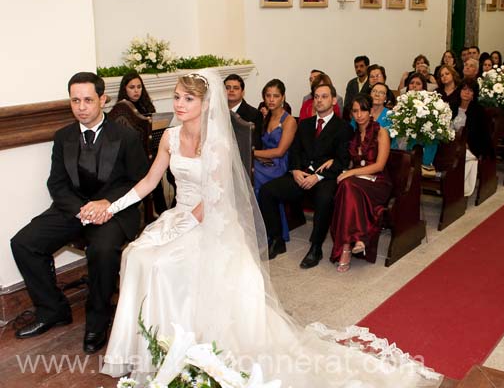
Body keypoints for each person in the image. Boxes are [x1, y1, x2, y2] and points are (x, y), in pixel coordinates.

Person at [101, 70, 438, 386]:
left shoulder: (216, 144)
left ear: (205, 104)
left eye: (188, 99)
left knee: (161, 263)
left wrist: (181, 228)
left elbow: (213, 199)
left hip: (209, 221)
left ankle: (181, 344)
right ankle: (152, 347)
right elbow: (148, 182)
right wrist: (111, 206)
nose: (179, 104)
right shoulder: (170, 138)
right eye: (176, 97)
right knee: (137, 254)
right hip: (182, 216)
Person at [11, 72, 148, 353]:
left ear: (102, 99)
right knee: (24, 243)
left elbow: (136, 181)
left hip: (116, 209)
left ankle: (98, 319)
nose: (81, 107)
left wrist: (107, 204)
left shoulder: (126, 136)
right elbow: (57, 183)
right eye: (75, 100)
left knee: (102, 250)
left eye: (88, 100)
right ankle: (52, 310)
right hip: (73, 208)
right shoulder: (63, 137)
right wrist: (82, 210)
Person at [260, 82, 353, 268]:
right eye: (316, 96)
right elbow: (295, 151)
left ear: (334, 100)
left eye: (324, 96)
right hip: (301, 174)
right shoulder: (305, 124)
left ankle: (316, 247)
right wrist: (295, 170)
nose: (319, 100)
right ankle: (277, 239)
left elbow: (342, 160)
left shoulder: (343, 127)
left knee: (325, 198)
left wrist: (317, 177)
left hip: (324, 177)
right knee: (267, 191)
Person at [329, 94, 392, 272]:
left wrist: (351, 172)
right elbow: (346, 160)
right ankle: (353, 241)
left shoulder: (381, 132)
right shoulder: (353, 134)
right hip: (357, 183)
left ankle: (348, 246)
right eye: (355, 111)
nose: (359, 115)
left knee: (347, 185)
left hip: (378, 182)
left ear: (371, 111)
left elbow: (379, 165)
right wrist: (334, 163)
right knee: (345, 187)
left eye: (363, 110)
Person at [253, 79, 297, 246]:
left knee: (254, 175)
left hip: (280, 165)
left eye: (276, 96)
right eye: (268, 96)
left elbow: (280, 152)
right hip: (264, 161)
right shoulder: (266, 117)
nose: (271, 100)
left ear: (283, 97)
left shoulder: (289, 121)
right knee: (245, 171)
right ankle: (259, 229)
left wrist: (252, 154)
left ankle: (268, 233)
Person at [118, 71, 168, 215]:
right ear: (125, 89)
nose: (136, 91)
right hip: (133, 156)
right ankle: (158, 211)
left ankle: (167, 208)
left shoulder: (146, 106)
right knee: (154, 171)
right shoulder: (122, 109)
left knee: (166, 165)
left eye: (139, 87)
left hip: (150, 150)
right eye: (132, 87)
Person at [450, 79, 494, 197]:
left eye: (470, 90)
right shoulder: (451, 106)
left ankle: (457, 189)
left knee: (467, 158)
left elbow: (482, 134)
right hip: (450, 143)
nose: (466, 92)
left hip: (471, 145)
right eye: (464, 89)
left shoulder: (479, 111)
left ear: (474, 93)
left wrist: (467, 144)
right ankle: (454, 187)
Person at [224, 73, 263, 149]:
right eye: (227, 88)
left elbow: (256, 145)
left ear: (242, 92)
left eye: (236, 88)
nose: (231, 90)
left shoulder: (254, 114)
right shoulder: (217, 111)